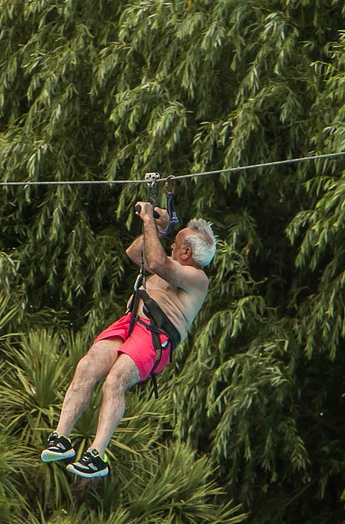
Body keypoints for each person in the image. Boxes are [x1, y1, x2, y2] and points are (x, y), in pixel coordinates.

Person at [41, 202, 217, 479]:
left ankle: (97, 454)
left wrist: (148, 218)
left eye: (176, 242)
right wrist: (158, 229)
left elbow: (157, 261)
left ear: (187, 252)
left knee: (115, 380)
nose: (171, 246)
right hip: (130, 323)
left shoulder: (197, 278)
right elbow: (136, 253)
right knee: (87, 366)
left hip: (155, 336)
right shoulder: (170, 263)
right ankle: (62, 438)